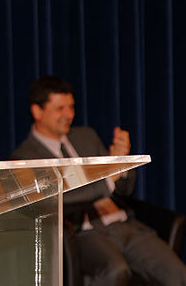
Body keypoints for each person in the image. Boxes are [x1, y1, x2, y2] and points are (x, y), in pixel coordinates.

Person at [10, 75, 186, 286]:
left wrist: (120, 164)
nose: (69, 114)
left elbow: (124, 189)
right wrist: (108, 177)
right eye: (60, 108)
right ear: (37, 111)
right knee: (115, 272)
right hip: (83, 233)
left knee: (178, 273)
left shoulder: (86, 136)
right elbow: (63, 197)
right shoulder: (25, 158)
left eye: (71, 107)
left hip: (122, 224)